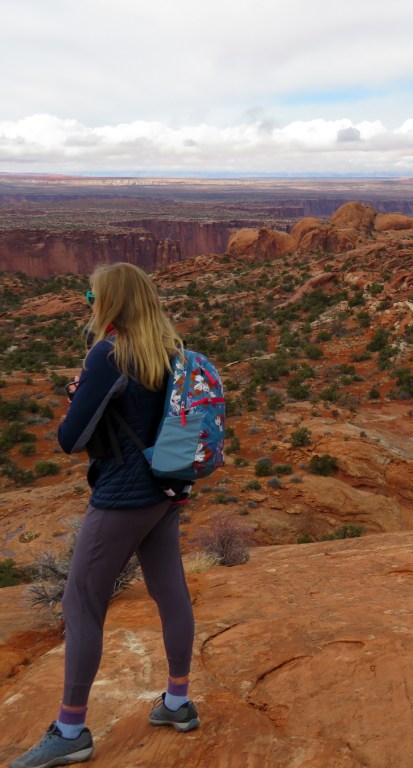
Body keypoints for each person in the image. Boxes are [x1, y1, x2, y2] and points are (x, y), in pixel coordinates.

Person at [10, 263, 199, 768]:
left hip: (122, 497)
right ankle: (178, 704)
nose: (87, 301)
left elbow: (70, 439)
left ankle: (71, 730)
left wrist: (79, 397)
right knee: (170, 591)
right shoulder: (171, 350)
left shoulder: (108, 355)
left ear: (109, 301)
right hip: (166, 489)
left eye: (91, 294)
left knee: (80, 604)